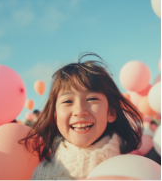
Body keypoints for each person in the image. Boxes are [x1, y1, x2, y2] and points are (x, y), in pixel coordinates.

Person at [20, 53, 143, 181]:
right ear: (55, 118)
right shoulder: (41, 175)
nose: (79, 111)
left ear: (111, 113)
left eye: (92, 98)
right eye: (67, 101)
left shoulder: (133, 169)